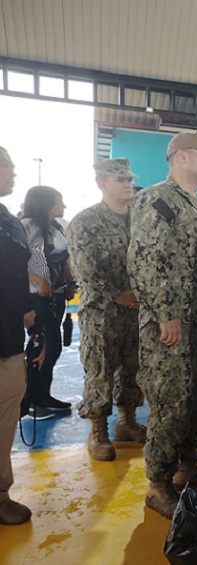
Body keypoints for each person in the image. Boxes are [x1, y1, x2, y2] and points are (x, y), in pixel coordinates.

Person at [128, 131, 197, 518]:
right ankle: (158, 484)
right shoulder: (158, 199)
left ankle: (188, 466)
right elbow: (146, 259)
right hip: (173, 325)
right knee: (171, 403)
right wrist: (165, 312)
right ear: (182, 157)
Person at [67, 158, 146, 462]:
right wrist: (117, 295)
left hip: (136, 310)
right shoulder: (86, 221)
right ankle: (98, 430)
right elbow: (83, 269)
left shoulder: (139, 219)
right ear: (101, 183)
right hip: (102, 312)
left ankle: (127, 422)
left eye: (129, 179)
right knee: (100, 369)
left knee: (133, 368)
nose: (129, 184)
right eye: (120, 180)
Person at [0, 146, 35, 525]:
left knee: (4, 423)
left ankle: (0, 495)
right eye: (7, 166)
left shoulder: (9, 221)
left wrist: (29, 316)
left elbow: (15, 277)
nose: (13, 173)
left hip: (9, 342)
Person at [21, 185, 75, 419]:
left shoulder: (57, 227)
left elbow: (64, 259)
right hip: (37, 295)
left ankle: (44, 393)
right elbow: (13, 262)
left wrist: (70, 282)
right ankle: (32, 399)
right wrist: (36, 279)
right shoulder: (27, 227)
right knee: (43, 345)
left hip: (57, 294)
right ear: (45, 203)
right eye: (58, 201)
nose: (63, 206)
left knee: (53, 347)